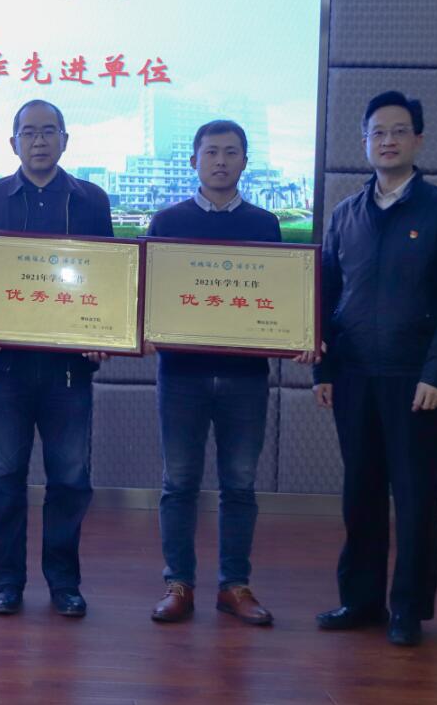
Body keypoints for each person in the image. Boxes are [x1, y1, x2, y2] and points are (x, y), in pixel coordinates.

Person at [313, 91, 437, 647]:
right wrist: (323, 371)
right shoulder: (345, 214)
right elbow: (326, 298)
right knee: (360, 495)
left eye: (400, 130)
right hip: (355, 376)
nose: (388, 140)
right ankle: (361, 600)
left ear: (419, 140)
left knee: (415, 498)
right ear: (364, 142)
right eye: (378, 132)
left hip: (416, 380)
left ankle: (407, 609)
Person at [0, 99, 113, 618]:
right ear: (13, 143)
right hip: (4, 366)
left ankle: (64, 583)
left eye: (49, 131)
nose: (39, 141)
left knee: (69, 479)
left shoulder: (91, 200)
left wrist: (104, 333)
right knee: (6, 478)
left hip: (69, 368)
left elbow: (107, 277)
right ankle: (6, 582)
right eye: (29, 132)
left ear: (65, 140)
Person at [146, 120, 294, 627]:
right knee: (178, 483)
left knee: (240, 485)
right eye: (211, 152)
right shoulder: (166, 222)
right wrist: (143, 327)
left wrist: (294, 333)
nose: (221, 161)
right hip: (181, 375)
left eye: (232, 152)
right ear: (194, 161)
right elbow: (150, 295)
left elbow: (279, 297)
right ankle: (178, 584)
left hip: (246, 378)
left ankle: (234, 585)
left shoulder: (265, 225)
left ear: (245, 162)